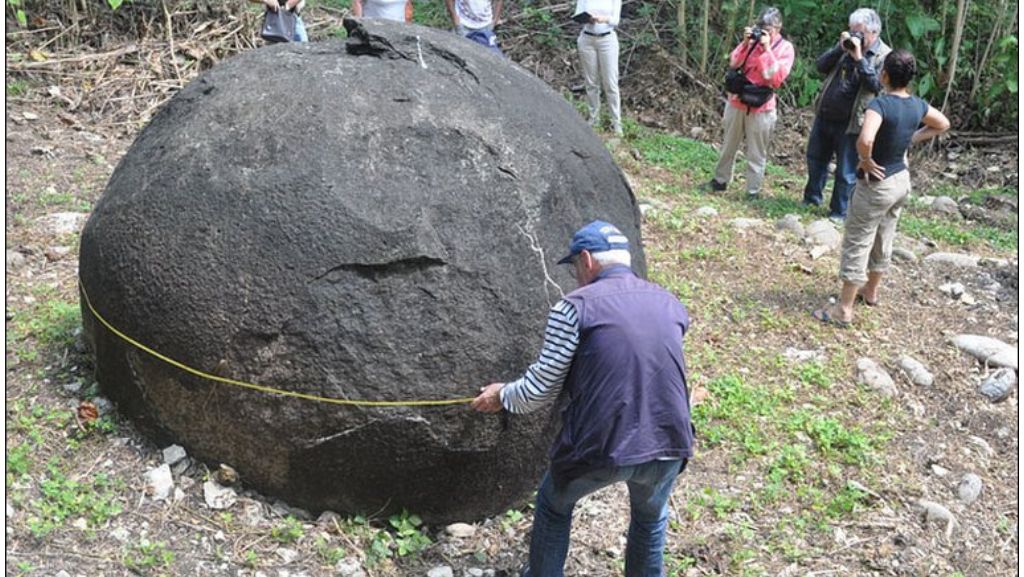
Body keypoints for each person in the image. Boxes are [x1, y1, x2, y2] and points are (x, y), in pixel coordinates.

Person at [471, 220, 695, 577]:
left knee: (553, 506)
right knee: (650, 521)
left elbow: (541, 388)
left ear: (587, 260)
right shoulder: (670, 303)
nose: (575, 276)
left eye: (575, 266)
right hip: (670, 441)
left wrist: (503, 396)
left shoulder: (575, 308)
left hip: (603, 446)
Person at [813, 50, 950, 327]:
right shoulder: (917, 104)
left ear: (883, 75)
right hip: (901, 181)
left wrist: (865, 159)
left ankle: (844, 309)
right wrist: (912, 137)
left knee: (858, 239)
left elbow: (865, 139)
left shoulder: (880, 105)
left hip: (877, 183)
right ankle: (871, 291)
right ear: (910, 78)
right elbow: (943, 124)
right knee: (884, 234)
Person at [802, 8, 891, 222]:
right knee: (815, 159)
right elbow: (820, 66)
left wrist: (860, 57)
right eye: (852, 31)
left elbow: (876, 86)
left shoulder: (884, 56)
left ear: (874, 32)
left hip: (852, 122)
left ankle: (839, 211)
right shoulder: (845, 48)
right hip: (826, 114)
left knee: (846, 170)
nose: (855, 36)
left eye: (859, 33)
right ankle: (811, 198)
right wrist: (838, 48)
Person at [705, 7, 795, 198]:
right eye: (760, 27)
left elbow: (774, 78)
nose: (763, 32)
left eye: (768, 29)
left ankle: (752, 190)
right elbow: (734, 63)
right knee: (728, 145)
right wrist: (746, 43)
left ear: (777, 29)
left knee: (756, 152)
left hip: (762, 107)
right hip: (737, 101)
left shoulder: (785, 48)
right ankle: (720, 181)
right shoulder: (751, 42)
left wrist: (767, 48)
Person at [573, 0, 623, 135]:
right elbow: (578, 15)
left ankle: (616, 122)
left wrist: (603, 19)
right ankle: (594, 118)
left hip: (607, 40)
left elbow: (616, 20)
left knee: (611, 83)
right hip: (587, 39)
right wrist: (587, 19)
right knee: (591, 82)